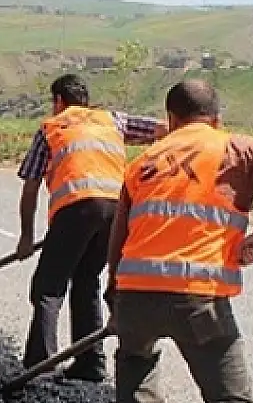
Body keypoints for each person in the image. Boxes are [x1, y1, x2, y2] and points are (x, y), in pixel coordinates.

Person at [104, 79, 253, 403]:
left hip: (136, 295)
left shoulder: (145, 162)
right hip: (200, 302)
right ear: (215, 116)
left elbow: (120, 239)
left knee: (135, 359)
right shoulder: (236, 149)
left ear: (170, 117)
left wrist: (114, 295)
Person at [15, 73, 165, 383]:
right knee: (85, 280)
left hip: (78, 206)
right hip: (117, 210)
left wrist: (27, 237)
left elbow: (30, 187)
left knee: (48, 287)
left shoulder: (52, 128)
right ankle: (91, 363)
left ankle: (39, 366)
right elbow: (162, 129)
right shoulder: (113, 120)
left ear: (58, 101)